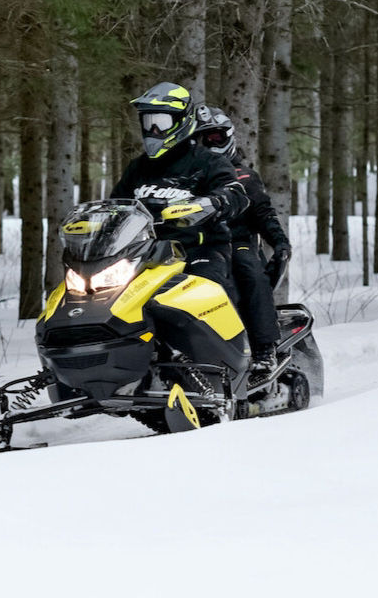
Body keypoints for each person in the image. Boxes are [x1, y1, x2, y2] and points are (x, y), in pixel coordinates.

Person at [109, 82, 249, 295]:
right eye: (148, 123)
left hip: (198, 250)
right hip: (142, 255)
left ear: (182, 121)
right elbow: (116, 204)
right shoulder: (138, 167)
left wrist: (215, 202)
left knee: (205, 293)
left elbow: (236, 192)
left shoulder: (208, 162)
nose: (153, 130)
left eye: (160, 123)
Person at [193, 104, 292, 381]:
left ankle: (264, 349)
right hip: (197, 243)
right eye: (204, 138)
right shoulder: (190, 175)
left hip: (237, 241)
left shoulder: (245, 176)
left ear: (229, 137)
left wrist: (281, 243)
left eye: (216, 137)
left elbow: (264, 214)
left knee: (249, 271)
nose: (210, 143)